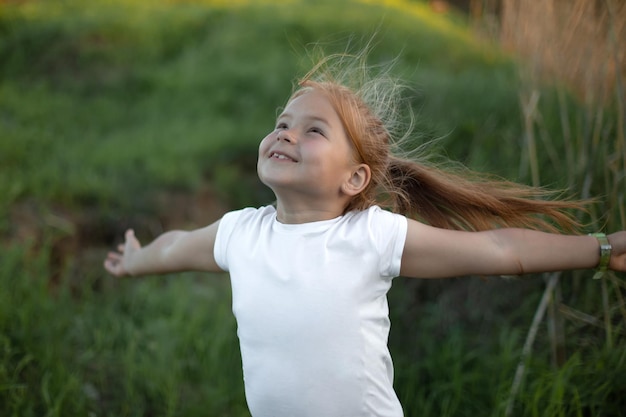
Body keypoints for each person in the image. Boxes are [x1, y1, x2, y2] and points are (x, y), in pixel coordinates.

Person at [104, 52, 626, 417]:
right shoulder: (242, 232)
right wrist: (136, 258)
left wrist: (600, 250)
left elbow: (499, 248)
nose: (286, 132)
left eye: (314, 130)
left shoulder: (369, 237)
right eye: (284, 122)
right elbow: (176, 246)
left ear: (353, 179)